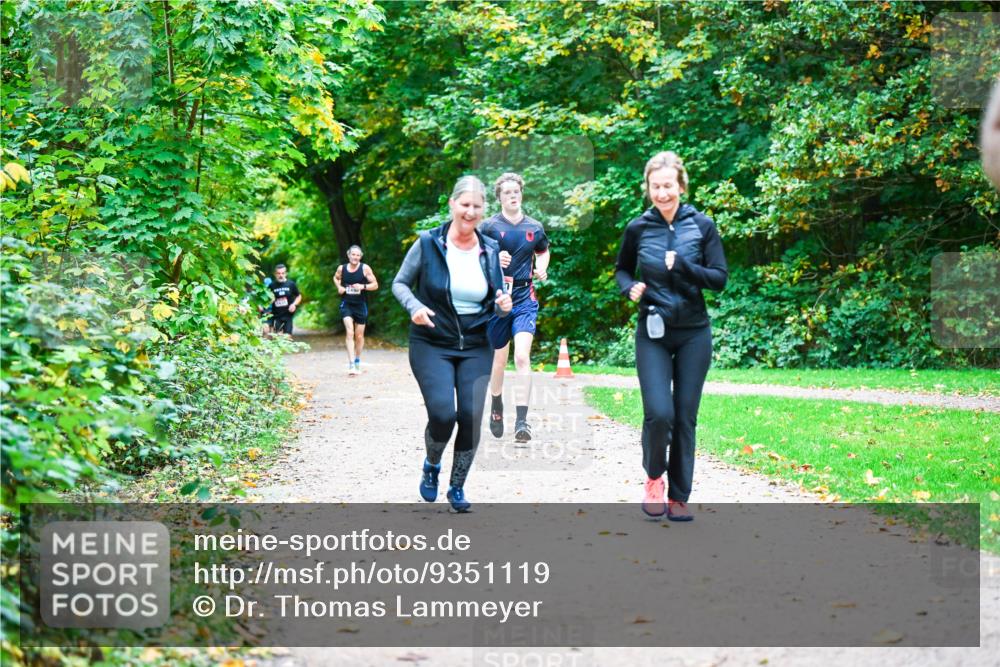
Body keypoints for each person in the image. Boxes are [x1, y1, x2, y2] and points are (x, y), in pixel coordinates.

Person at [614, 151, 728, 521]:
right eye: (655, 186)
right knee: (659, 413)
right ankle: (653, 479)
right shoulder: (637, 228)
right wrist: (628, 287)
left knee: (684, 416)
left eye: (668, 186)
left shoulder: (702, 225)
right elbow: (621, 270)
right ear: (647, 188)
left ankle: (679, 496)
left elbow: (719, 279)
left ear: (681, 185)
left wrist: (684, 266)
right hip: (653, 331)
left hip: (694, 332)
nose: (662, 193)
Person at [392, 175, 513, 513]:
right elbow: (400, 284)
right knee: (444, 414)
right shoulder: (428, 243)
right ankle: (432, 465)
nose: (470, 212)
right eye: (465, 205)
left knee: (472, 416)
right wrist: (414, 307)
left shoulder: (490, 249)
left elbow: (497, 293)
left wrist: (502, 303)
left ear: (483, 210)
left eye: (477, 206)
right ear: (452, 204)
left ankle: (457, 486)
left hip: (476, 343)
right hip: (432, 340)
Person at [481, 173, 551, 442]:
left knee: (522, 357)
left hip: (524, 298)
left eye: (516, 192)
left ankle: (522, 421)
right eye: (507, 192)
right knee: (499, 360)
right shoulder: (488, 227)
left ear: (521, 194)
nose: (512, 196)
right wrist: (494, 257)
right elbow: (475, 257)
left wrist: (541, 269)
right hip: (498, 300)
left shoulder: (534, 226)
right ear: (499, 197)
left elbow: (543, 251)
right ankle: (497, 406)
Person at [334, 245, 379, 376]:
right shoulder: (341, 268)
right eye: (353, 254)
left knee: (359, 336)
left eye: (358, 255)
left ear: (361, 256)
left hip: (360, 305)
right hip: (346, 303)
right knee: (349, 332)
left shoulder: (365, 268)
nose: (355, 257)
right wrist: (339, 287)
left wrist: (363, 286)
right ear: (348, 255)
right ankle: (351, 364)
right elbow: (335, 278)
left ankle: (357, 360)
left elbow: (375, 285)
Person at [269, 264, 301, 336]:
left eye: (283, 273)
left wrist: (294, 304)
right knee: (278, 339)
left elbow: (299, 296)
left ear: (286, 273)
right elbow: (267, 299)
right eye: (278, 273)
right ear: (275, 274)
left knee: (287, 338)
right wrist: (269, 301)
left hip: (288, 316)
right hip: (276, 316)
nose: (281, 275)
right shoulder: (271, 286)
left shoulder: (291, 284)